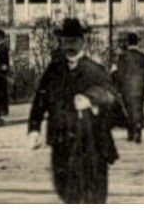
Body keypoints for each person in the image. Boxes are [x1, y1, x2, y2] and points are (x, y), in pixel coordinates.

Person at [27, 18, 123, 204]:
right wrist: (34, 129)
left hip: (91, 144)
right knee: (65, 191)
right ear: (61, 42)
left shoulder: (95, 70)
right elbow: (40, 99)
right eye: (65, 41)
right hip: (61, 142)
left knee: (93, 196)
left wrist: (91, 99)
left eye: (73, 41)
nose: (69, 46)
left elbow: (112, 97)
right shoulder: (53, 70)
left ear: (82, 42)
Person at [113, 32, 144, 143]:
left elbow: (120, 74)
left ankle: (131, 132)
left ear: (127, 42)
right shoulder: (143, 56)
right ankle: (138, 131)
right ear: (137, 42)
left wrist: (117, 88)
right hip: (140, 86)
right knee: (139, 108)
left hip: (127, 87)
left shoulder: (122, 57)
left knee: (128, 109)